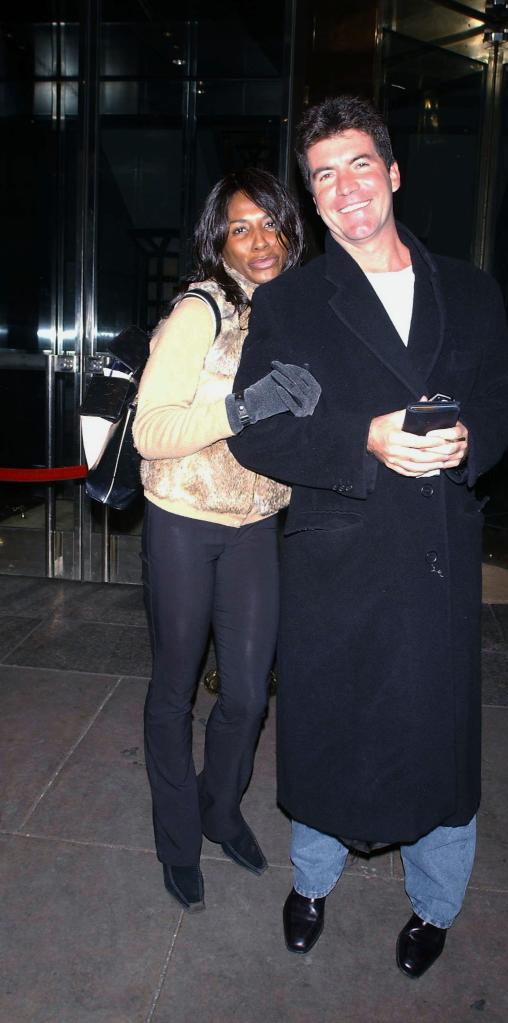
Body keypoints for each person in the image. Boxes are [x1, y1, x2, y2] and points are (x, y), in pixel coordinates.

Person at [228, 97, 508, 976]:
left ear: (392, 173)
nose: (345, 187)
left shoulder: (468, 289)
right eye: (324, 174)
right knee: (330, 730)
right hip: (338, 557)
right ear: (313, 199)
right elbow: (256, 429)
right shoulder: (290, 304)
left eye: (359, 164)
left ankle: (434, 905)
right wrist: (362, 436)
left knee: (439, 740)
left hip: (436, 552)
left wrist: (474, 438)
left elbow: (507, 397)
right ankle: (312, 884)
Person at [133, 169, 320, 913]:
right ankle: (177, 838)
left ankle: (219, 808)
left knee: (246, 694)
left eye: (269, 223)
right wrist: (238, 408)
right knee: (174, 686)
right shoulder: (198, 312)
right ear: (220, 240)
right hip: (182, 517)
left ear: (289, 231)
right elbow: (151, 430)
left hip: (254, 526)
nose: (259, 240)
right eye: (240, 227)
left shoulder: (294, 313)